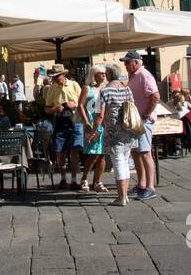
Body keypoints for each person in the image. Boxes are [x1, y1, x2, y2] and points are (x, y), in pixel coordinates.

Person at [90, 64, 134, 207]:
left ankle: (121, 197)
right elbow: (132, 107)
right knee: (125, 161)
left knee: (118, 162)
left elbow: (99, 115)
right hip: (128, 129)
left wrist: (94, 131)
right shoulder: (127, 89)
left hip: (113, 131)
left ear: (108, 74)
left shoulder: (105, 91)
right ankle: (125, 195)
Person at [123, 51, 160, 201]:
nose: (125, 65)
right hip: (136, 120)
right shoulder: (134, 76)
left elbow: (155, 96)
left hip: (143, 120)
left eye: (127, 62)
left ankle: (150, 187)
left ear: (136, 62)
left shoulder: (144, 75)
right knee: (137, 153)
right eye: (125, 63)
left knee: (145, 152)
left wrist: (146, 114)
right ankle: (141, 184)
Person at [42, 64, 82, 189]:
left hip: (75, 120)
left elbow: (83, 103)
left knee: (74, 151)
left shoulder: (74, 85)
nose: (54, 79)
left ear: (63, 75)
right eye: (53, 77)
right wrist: (55, 108)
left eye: (56, 76)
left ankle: (74, 180)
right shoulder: (51, 89)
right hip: (60, 121)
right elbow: (47, 109)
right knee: (60, 152)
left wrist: (73, 105)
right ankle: (64, 179)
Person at [77, 64, 108, 193]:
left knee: (102, 155)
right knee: (93, 153)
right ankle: (84, 178)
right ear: (94, 75)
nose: (103, 75)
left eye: (104, 73)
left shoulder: (106, 89)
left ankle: (98, 182)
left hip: (104, 124)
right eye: (101, 73)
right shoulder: (87, 88)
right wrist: (85, 121)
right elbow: (80, 105)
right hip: (91, 123)